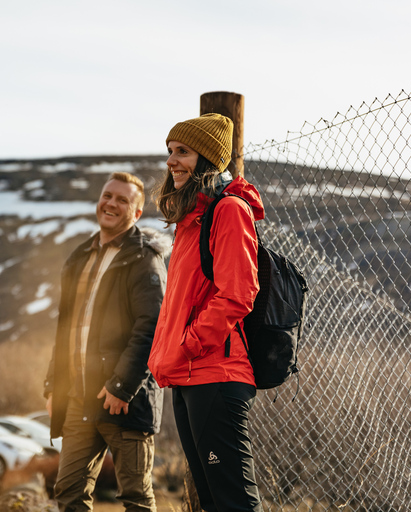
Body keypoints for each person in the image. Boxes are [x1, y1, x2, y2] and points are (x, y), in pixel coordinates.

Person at [147, 113, 264, 511]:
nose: (171, 161)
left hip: (214, 372)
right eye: (170, 152)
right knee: (213, 503)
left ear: (209, 159)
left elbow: (238, 293)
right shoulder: (190, 221)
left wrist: (189, 344)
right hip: (189, 374)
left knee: (234, 503)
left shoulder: (229, 210)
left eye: (183, 152)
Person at [44, 172, 168, 511]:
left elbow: (151, 326)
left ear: (137, 213)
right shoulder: (79, 257)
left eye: (123, 200)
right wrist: (54, 386)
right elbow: (66, 329)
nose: (111, 203)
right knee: (68, 494)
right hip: (78, 400)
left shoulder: (145, 259)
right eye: (107, 195)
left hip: (125, 402)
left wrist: (121, 387)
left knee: (136, 499)